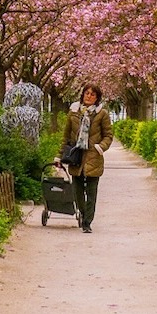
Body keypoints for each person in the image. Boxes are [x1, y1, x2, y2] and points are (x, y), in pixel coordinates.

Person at [61, 83, 114, 234]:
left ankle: (87, 222)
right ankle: (83, 214)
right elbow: (65, 136)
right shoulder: (73, 112)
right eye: (87, 93)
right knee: (77, 192)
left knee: (91, 193)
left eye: (92, 94)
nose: (89, 96)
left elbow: (108, 135)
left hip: (93, 157)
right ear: (82, 95)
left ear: (97, 98)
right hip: (76, 157)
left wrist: (100, 147)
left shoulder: (101, 114)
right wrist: (59, 156)